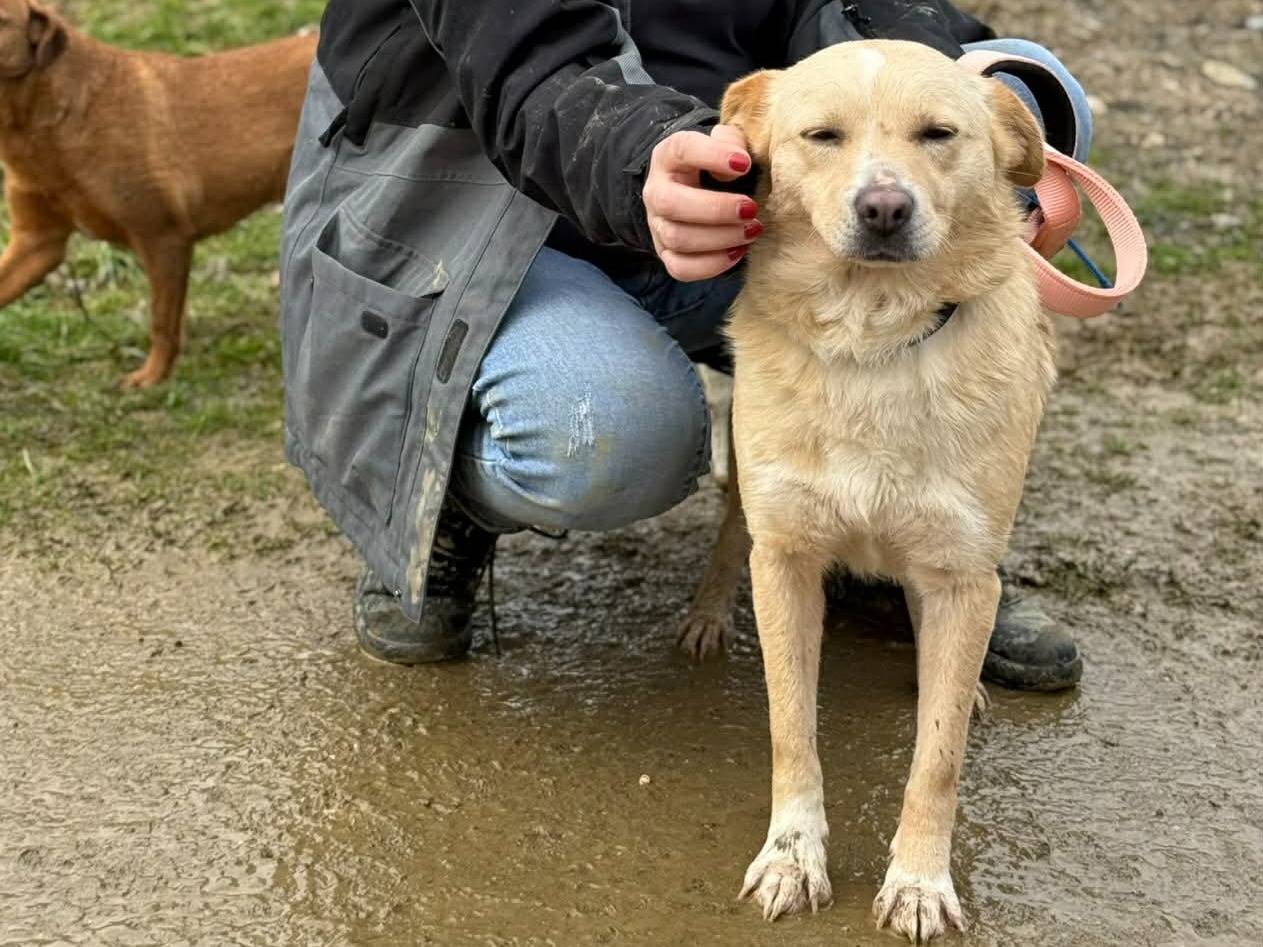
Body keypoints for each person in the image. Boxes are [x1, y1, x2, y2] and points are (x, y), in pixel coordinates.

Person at [280, 0, 1091, 690]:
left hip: (718, 198)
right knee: (604, 431)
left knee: (1028, 106)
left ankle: (877, 541)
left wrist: (956, 73)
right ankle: (446, 492)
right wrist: (646, 162)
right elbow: (531, 63)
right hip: (476, 212)